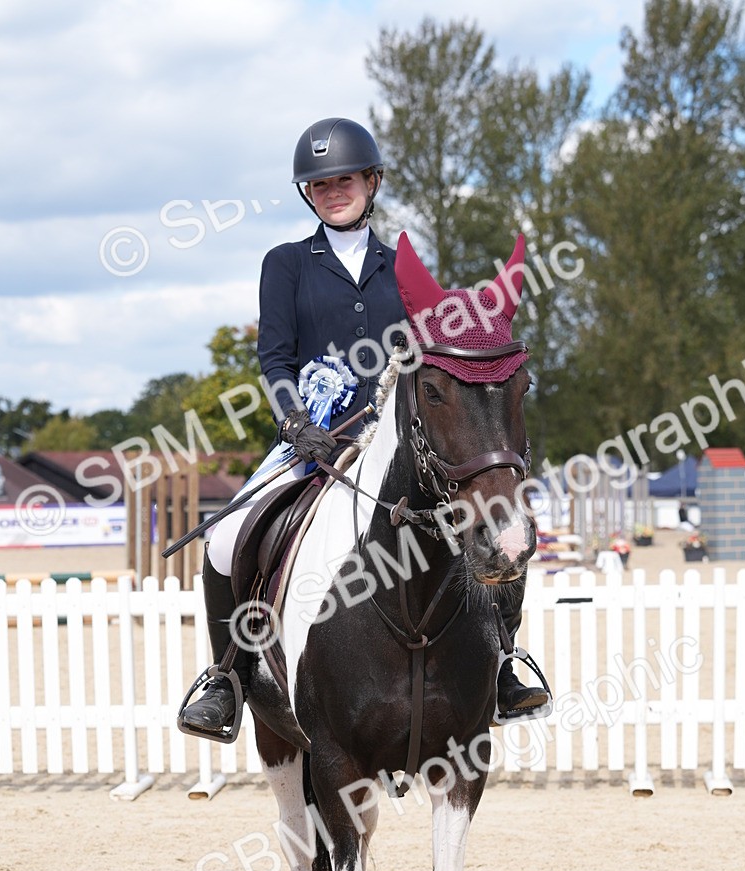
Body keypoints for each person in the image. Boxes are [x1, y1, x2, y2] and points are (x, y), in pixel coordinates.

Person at [180, 116, 549, 739]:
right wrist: (293, 422)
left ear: (371, 182)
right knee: (225, 537)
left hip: (395, 442)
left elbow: (434, 360)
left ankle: (505, 659)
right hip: (312, 440)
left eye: (344, 180)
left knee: (492, 520)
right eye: (320, 184)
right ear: (308, 193)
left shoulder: (403, 267)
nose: (333, 192)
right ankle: (228, 678)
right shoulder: (286, 264)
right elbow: (275, 359)